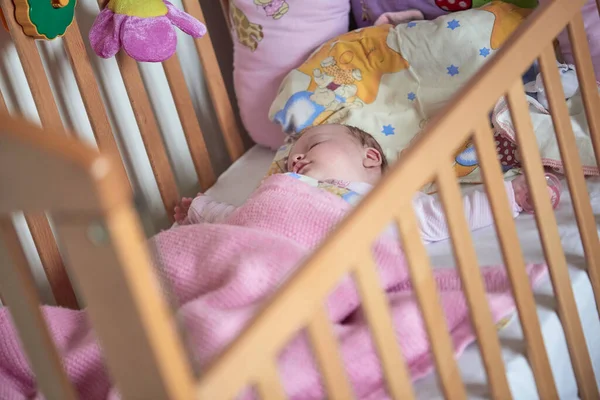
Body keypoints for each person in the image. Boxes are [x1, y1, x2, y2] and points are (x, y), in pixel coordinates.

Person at [174, 124, 560, 243]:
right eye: (292, 154)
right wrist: (199, 210)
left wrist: (513, 195)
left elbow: (445, 215)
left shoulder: (385, 202)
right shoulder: (282, 191)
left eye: (314, 145)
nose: (295, 157)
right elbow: (242, 218)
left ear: (370, 158)